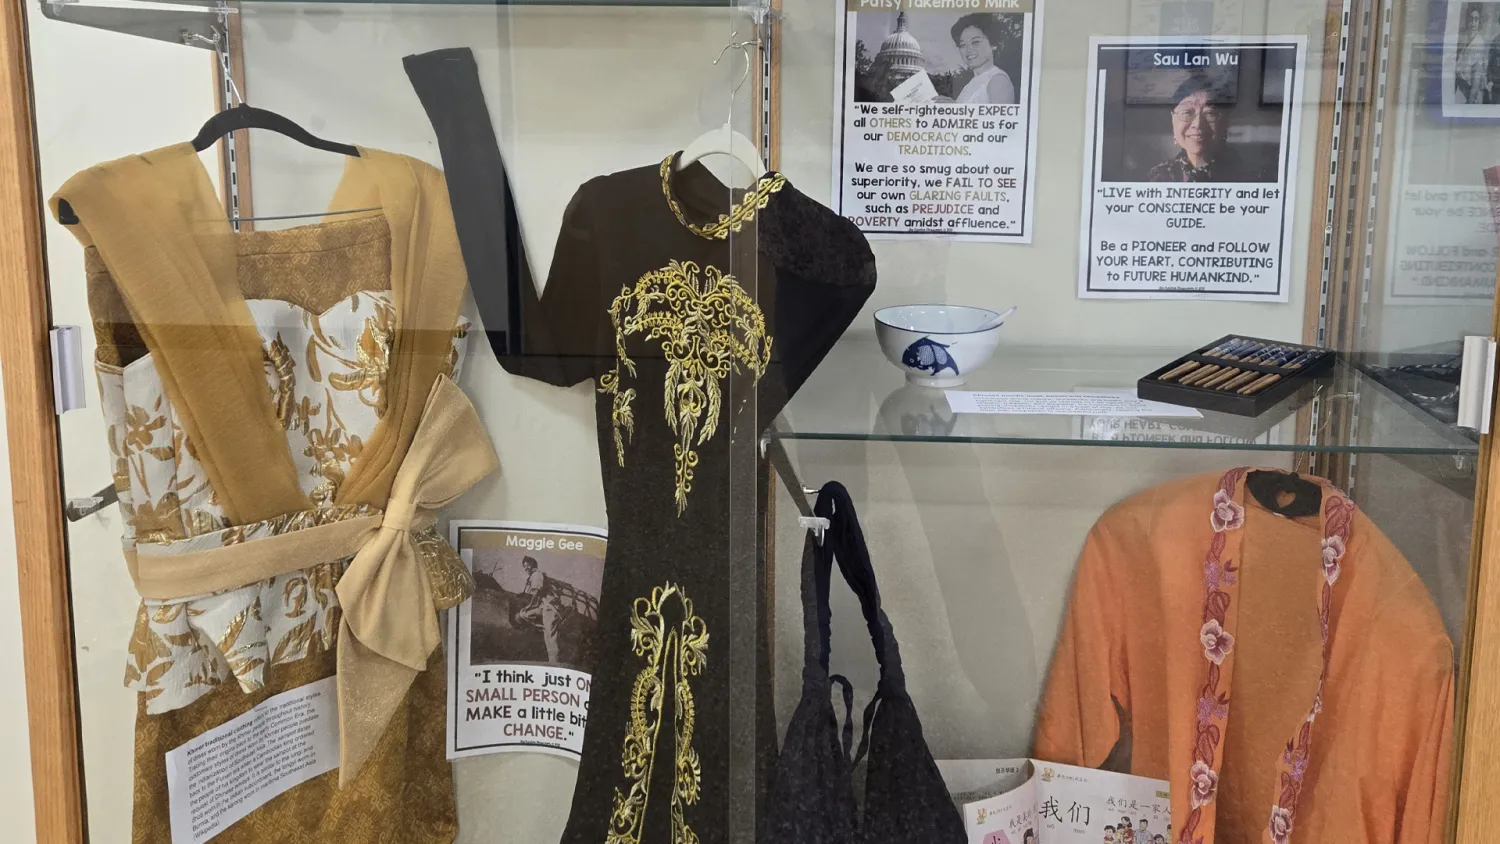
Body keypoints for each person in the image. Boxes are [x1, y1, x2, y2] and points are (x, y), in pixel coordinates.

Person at [1146, 74, 1268, 183]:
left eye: (1210, 113)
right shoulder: (1158, 176)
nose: (1198, 124)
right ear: (1173, 119)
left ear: (1226, 121)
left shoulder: (1252, 176)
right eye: (1187, 113)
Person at [951, 14, 1018, 104]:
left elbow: (1000, 118)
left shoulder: (998, 80)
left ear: (993, 44)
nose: (968, 49)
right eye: (962, 45)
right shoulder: (970, 84)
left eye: (975, 42)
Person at [516, 555, 565, 663]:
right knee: (525, 614)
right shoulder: (533, 576)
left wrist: (529, 606)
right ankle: (544, 627)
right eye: (524, 567)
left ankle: (554, 663)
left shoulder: (537, 574)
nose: (526, 568)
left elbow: (536, 594)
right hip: (543, 607)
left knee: (550, 636)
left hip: (550, 607)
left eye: (527, 565)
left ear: (533, 565)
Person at [1455, 4, 1489, 103]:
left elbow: (1476, 83)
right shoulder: (1465, 41)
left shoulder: (1479, 44)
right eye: (1470, 19)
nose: (1473, 23)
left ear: (1479, 22)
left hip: (1470, 97)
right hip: (1460, 93)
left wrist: (1469, 105)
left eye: (1476, 19)